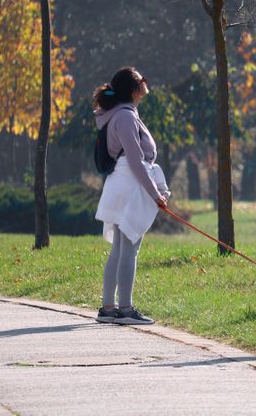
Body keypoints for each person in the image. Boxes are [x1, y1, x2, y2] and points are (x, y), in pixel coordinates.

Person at [93, 66, 170, 325]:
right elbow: (136, 161)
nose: (146, 83)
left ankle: (108, 307)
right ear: (133, 89)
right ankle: (125, 309)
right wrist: (156, 194)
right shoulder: (125, 117)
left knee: (120, 247)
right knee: (130, 248)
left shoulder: (123, 114)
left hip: (123, 184)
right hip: (129, 184)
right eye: (141, 80)